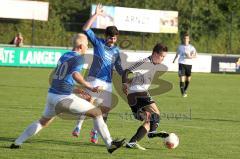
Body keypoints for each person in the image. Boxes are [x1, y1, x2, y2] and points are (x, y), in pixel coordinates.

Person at [10, 33, 125, 154]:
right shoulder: (79, 58)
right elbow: (76, 75)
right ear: (81, 46)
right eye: (86, 45)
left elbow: (60, 78)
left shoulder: (64, 56)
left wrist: (76, 90)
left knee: (42, 122)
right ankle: (110, 144)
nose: (87, 47)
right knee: (97, 113)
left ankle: (17, 142)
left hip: (52, 95)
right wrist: (90, 87)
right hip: (63, 98)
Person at [71, 4, 123, 144]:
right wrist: (96, 15)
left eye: (115, 38)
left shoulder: (116, 51)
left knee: (104, 110)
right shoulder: (98, 43)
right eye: (111, 37)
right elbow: (86, 29)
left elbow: (118, 67)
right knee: (88, 103)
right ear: (106, 36)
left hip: (107, 82)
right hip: (94, 79)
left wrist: (126, 75)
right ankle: (78, 127)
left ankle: (95, 132)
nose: (113, 40)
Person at [122, 43, 169, 150]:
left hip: (133, 95)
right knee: (156, 113)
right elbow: (126, 71)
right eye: (161, 56)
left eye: (164, 57)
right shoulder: (145, 62)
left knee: (148, 119)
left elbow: (137, 77)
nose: (163, 59)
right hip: (139, 93)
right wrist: (124, 83)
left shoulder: (153, 64)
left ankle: (132, 142)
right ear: (155, 54)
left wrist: (129, 82)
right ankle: (152, 132)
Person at [173, 33, 197, 97]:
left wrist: (190, 57)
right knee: (181, 78)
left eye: (187, 38)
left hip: (189, 64)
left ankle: (185, 89)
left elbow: (195, 55)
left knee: (188, 78)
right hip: (181, 63)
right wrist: (174, 60)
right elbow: (177, 54)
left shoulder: (192, 47)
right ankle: (183, 93)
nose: (185, 39)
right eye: (184, 38)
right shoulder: (180, 47)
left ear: (189, 39)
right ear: (183, 39)